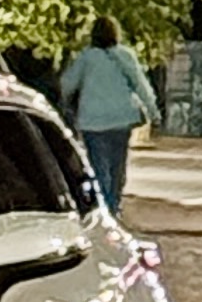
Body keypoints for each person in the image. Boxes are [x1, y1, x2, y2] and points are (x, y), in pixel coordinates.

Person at [59, 14, 159, 214]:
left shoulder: (86, 57)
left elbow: (67, 84)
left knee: (98, 166)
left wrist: (64, 102)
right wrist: (153, 111)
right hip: (120, 119)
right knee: (117, 165)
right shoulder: (125, 55)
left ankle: (105, 207)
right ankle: (114, 203)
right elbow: (141, 85)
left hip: (92, 121)